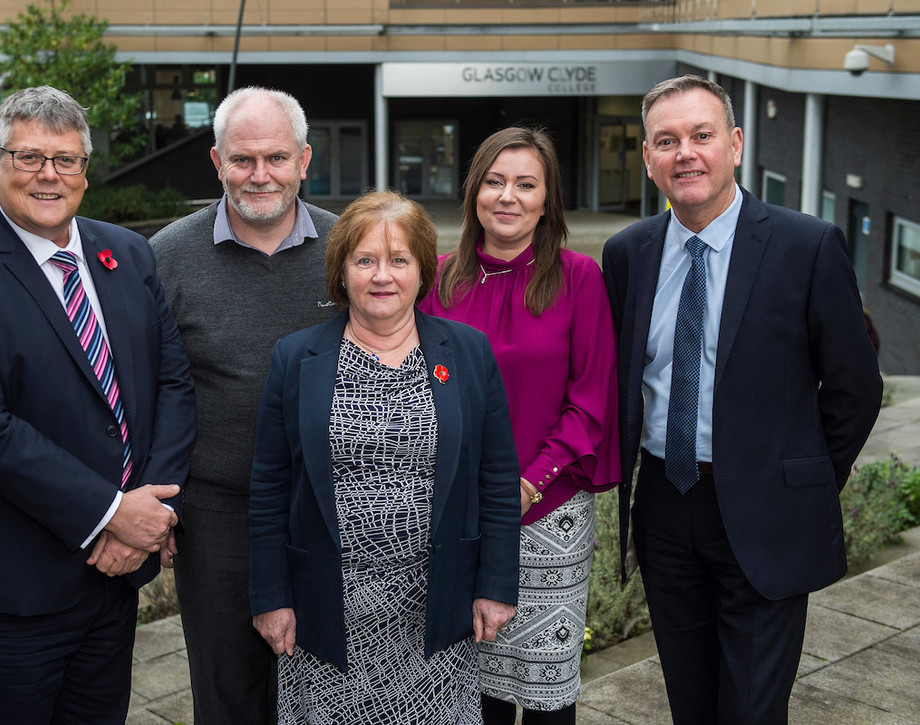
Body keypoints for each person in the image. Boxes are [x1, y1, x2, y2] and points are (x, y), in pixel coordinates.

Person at [602, 75, 883, 724]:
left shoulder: (805, 246)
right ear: (648, 159)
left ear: (734, 143)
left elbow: (855, 387)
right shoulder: (628, 253)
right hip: (665, 510)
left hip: (765, 515)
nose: (686, 153)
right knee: (691, 704)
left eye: (701, 135)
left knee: (752, 711)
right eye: (666, 141)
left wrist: (802, 482)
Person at [248, 190, 521, 724]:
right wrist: (270, 596)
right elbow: (269, 486)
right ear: (342, 270)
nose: (382, 276)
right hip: (327, 605)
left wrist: (496, 585)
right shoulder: (296, 357)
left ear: (423, 271)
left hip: (436, 602)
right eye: (365, 260)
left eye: (399, 260)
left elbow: (496, 476)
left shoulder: (467, 352)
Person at [0, 85, 196, 723]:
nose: (48, 175)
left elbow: (173, 382)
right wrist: (110, 512)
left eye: (66, 159)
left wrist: (150, 515)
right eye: (28, 157)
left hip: (113, 583)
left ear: (86, 169)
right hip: (20, 589)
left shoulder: (128, 253)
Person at [149, 86, 338, 724]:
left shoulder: (350, 251)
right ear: (216, 161)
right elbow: (144, 389)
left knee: (327, 687)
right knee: (228, 688)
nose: (260, 176)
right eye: (243, 159)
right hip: (217, 514)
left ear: (305, 160)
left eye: (277, 159)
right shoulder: (166, 257)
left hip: (330, 507)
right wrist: (159, 496)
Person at [419, 127, 620, 724]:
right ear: (474, 192)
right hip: (451, 510)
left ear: (547, 199)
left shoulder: (580, 278)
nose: (507, 196)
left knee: (545, 693)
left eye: (526, 184)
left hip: (547, 513)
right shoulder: (435, 277)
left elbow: (591, 400)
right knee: (465, 688)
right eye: (494, 181)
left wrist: (527, 483)